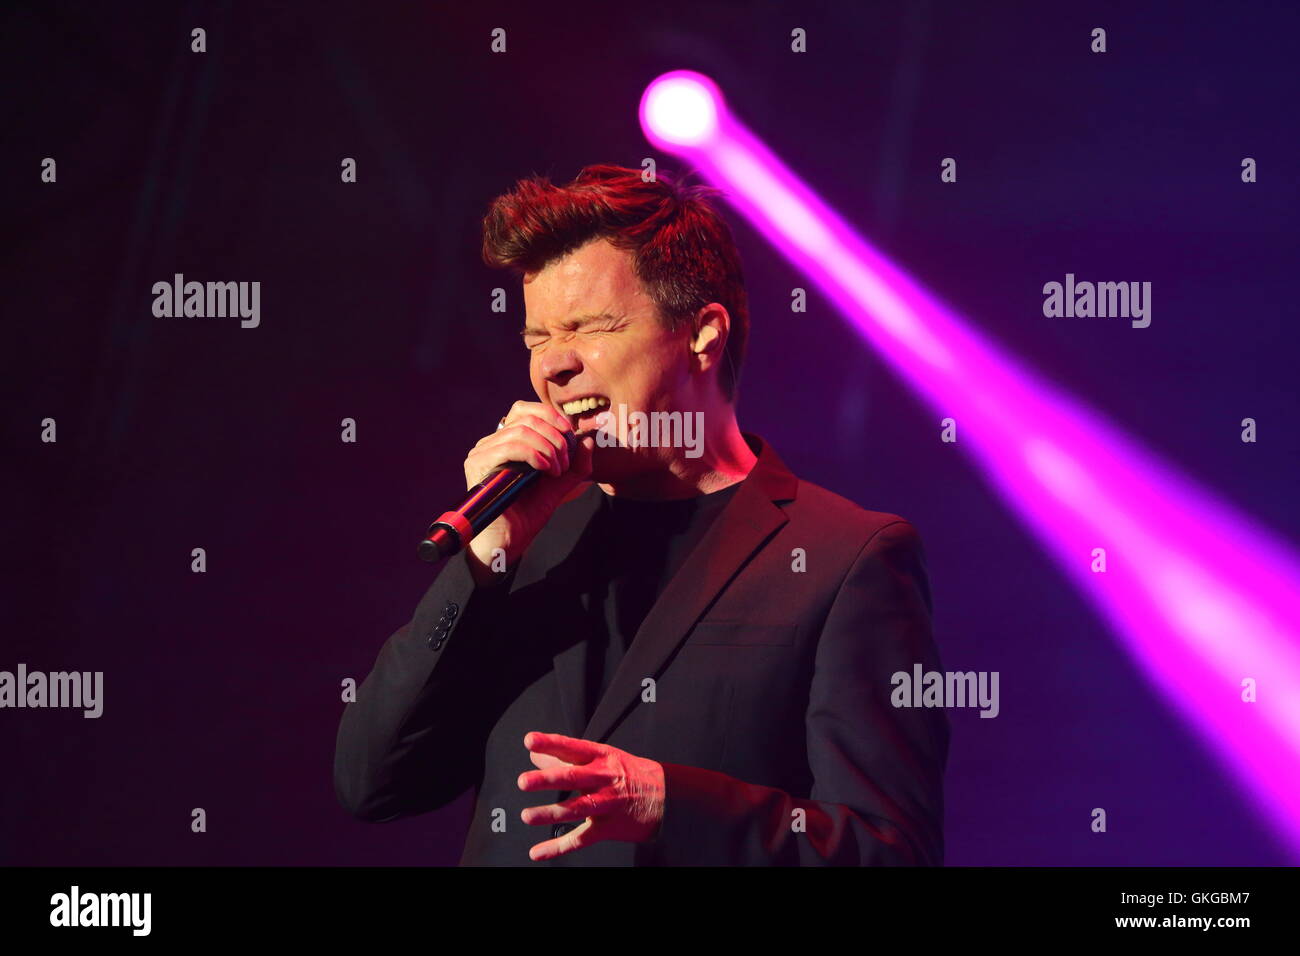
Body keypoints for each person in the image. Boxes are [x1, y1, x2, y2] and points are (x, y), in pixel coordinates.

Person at [333, 164, 949, 865]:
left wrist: (670, 804)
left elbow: (889, 850)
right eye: (537, 338)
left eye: (592, 327)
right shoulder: (525, 542)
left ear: (703, 336)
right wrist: (484, 562)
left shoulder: (844, 558)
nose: (554, 366)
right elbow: (371, 784)